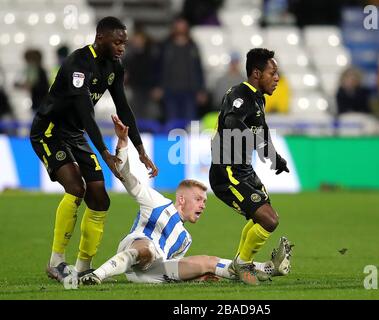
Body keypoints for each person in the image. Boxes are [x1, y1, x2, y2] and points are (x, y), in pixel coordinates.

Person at [77, 115, 293, 285]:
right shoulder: (156, 202)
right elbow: (126, 176)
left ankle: (267, 268)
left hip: (154, 272)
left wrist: (198, 276)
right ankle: (97, 275)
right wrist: (123, 143)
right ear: (181, 199)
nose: (202, 205)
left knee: (208, 262)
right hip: (135, 250)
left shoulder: (185, 238)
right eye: (198, 199)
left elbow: (174, 267)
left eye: (204, 202)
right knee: (146, 249)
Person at [29, 16, 159, 283]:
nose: (123, 47)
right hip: (50, 131)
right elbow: (86, 113)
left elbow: (123, 107)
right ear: (101, 39)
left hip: (75, 134)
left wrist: (140, 149)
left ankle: (82, 266)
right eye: (118, 42)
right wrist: (105, 153)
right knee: (76, 188)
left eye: (124, 42)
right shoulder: (78, 64)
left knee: (100, 198)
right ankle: (56, 261)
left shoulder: (114, 66)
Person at [209, 48, 290, 285]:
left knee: (263, 219)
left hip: (243, 170)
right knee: (269, 220)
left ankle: (240, 263)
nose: (277, 78)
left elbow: (261, 132)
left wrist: (275, 158)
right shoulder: (239, 94)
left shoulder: (258, 98)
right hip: (227, 173)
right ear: (256, 73)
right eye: (272, 73)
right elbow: (232, 120)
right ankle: (243, 265)